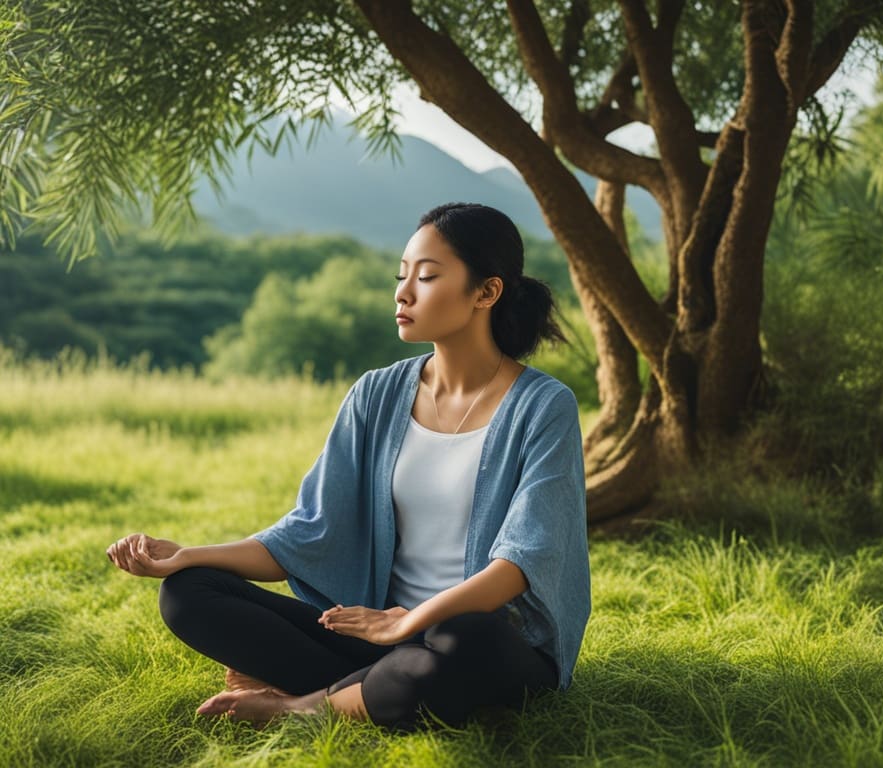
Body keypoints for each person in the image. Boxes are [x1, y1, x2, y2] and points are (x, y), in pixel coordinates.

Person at [106, 202, 591, 731]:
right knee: (188, 592)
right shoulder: (376, 394)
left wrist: (409, 620)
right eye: (402, 275)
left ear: (486, 292)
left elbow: (521, 562)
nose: (403, 293)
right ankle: (377, 690)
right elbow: (308, 532)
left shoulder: (544, 405)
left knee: (464, 638)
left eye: (427, 277)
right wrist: (186, 555)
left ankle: (300, 705)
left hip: (480, 641)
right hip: (379, 638)